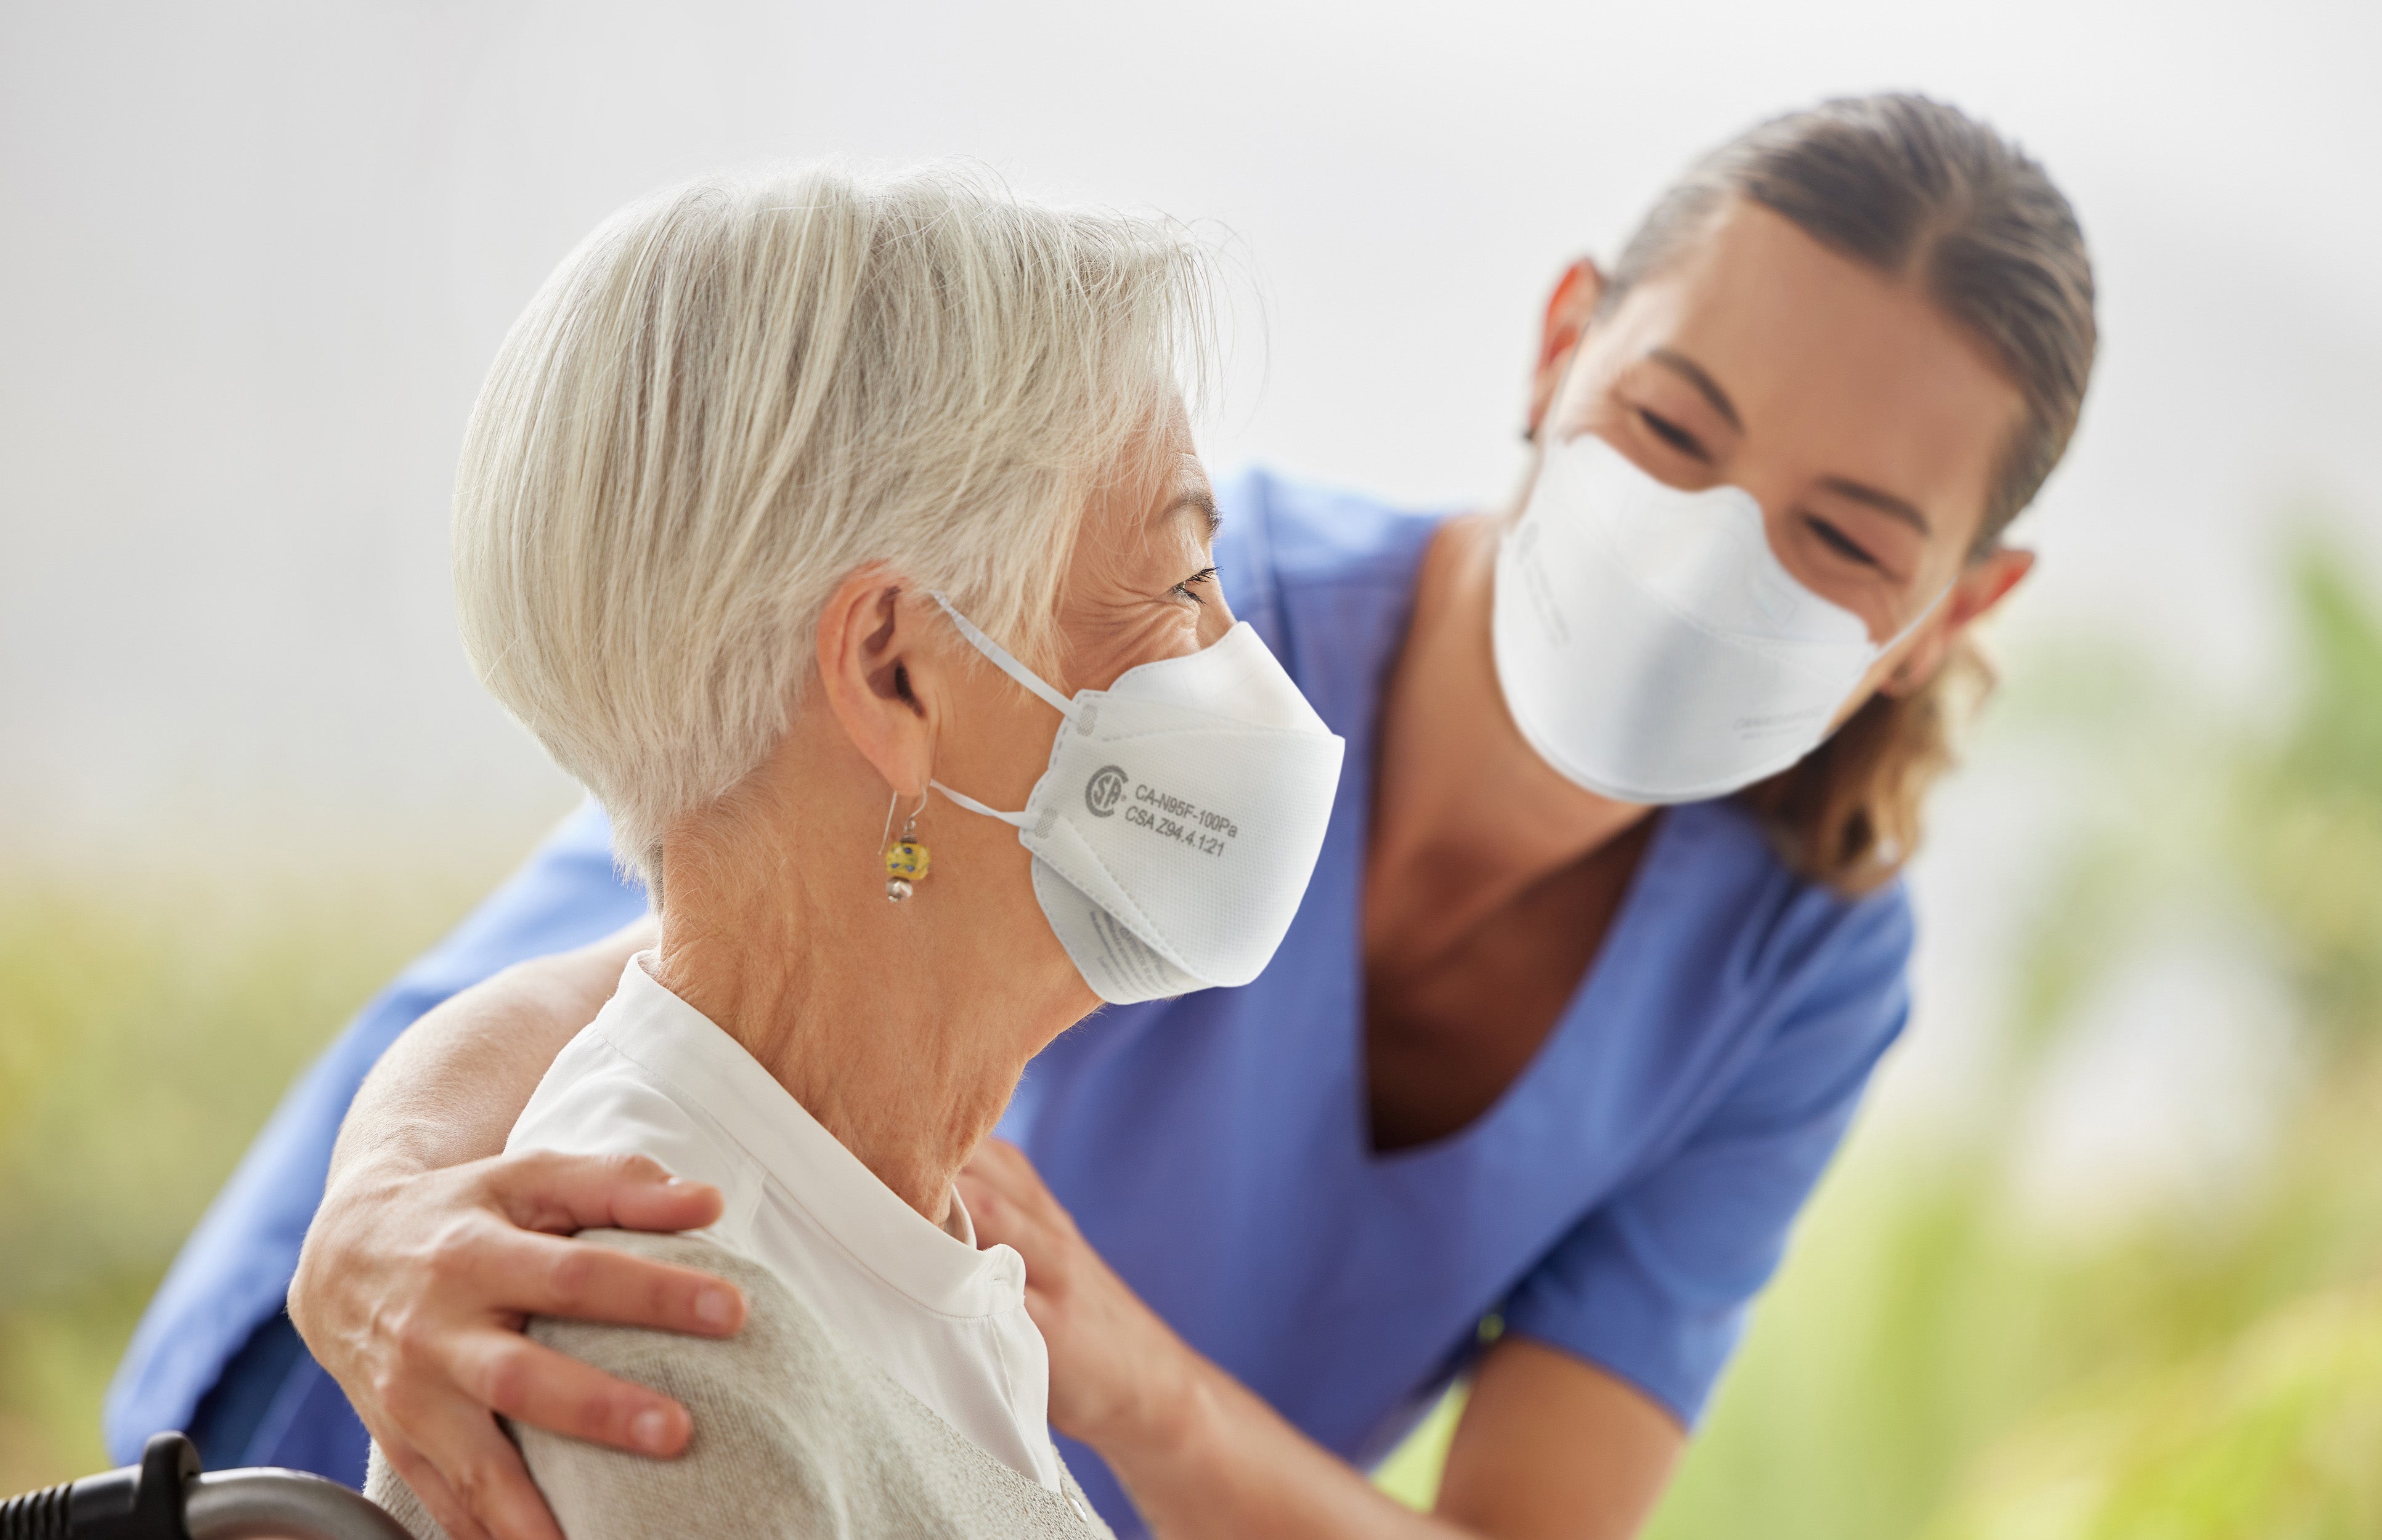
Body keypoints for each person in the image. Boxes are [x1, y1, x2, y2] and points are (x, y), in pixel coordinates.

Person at [109, 94, 2097, 1540]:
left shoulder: (1792, 968)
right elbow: (687, 918)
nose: (1696, 560)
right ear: (1561, 338)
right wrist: (377, 1221)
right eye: (1673, 431)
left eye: (1837, 537)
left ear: (1957, 610)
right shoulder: (1121, 636)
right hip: (517, 1385)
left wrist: (1131, 1390)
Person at [331, 159, 1346, 1536]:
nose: (1241, 664)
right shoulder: (663, 1356)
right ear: (894, 672)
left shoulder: (886, 1226)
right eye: (1177, 583)